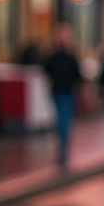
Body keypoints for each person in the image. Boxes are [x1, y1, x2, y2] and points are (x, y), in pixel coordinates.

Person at [43, 22, 83, 166]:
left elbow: (46, 69)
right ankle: (63, 146)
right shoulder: (69, 56)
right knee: (64, 119)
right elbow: (78, 75)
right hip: (65, 90)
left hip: (59, 90)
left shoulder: (54, 56)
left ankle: (62, 146)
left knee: (61, 118)